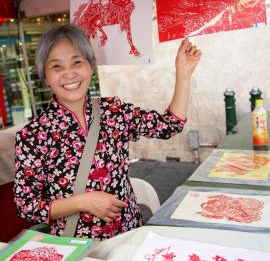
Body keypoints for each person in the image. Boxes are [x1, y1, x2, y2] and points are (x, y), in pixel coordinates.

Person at [14, 23, 201, 240]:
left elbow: (170, 125)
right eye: (57, 67)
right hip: (79, 245)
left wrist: (183, 75)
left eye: (77, 62)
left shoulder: (114, 111)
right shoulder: (32, 136)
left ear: (91, 67)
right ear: (45, 76)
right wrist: (83, 202)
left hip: (128, 238)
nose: (69, 73)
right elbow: (26, 205)